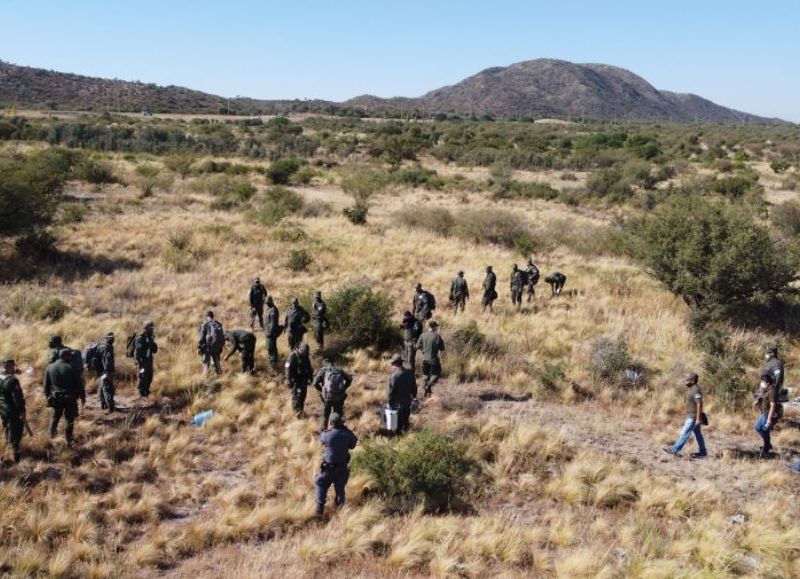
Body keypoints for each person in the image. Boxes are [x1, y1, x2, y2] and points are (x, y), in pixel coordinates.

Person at [314, 412, 358, 518]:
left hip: (328, 468)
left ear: (331, 423)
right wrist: (346, 430)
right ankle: (341, 511)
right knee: (340, 489)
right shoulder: (347, 434)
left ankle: (319, 511)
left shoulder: (326, 434)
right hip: (342, 468)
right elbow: (353, 444)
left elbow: (322, 440)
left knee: (320, 484)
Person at [44, 349, 85, 447]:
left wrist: (48, 396)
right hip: (70, 398)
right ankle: (68, 440)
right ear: (66, 356)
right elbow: (79, 384)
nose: (71, 357)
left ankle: (51, 437)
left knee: (55, 417)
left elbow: (46, 385)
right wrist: (83, 396)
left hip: (56, 397)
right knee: (69, 419)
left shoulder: (50, 367)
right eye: (69, 355)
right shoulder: (71, 367)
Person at [664, 372, 707, 458]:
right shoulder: (691, 389)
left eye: (687, 379)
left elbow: (699, 404)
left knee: (685, 432)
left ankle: (674, 450)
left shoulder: (695, 390)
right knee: (698, 435)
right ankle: (703, 452)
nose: (685, 381)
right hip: (691, 416)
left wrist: (698, 418)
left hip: (693, 417)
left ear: (693, 380)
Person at [313, 360, 353, 432]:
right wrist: (344, 388)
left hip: (327, 397)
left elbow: (315, 383)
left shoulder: (323, 370)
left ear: (325, 365)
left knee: (325, 415)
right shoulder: (339, 370)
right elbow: (349, 379)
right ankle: (338, 434)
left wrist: (321, 390)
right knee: (337, 416)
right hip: (339, 397)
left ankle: (324, 434)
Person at [0, 359, 26, 462]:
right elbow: (17, 398)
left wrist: (15, 372)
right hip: (12, 410)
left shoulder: (1, 377)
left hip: (2, 408)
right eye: (13, 366)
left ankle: (6, 448)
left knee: (6, 427)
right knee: (16, 431)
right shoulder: (12, 381)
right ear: (10, 366)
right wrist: (22, 411)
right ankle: (16, 455)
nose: (14, 368)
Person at [387, 353, 417, 434]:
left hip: (397, 406)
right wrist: (414, 397)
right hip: (407, 404)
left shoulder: (394, 376)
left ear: (394, 364)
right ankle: (406, 439)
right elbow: (414, 388)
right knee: (405, 423)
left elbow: (390, 393)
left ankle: (398, 441)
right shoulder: (410, 373)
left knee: (396, 427)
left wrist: (389, 403)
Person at [416, 320, 445, 397]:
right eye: (436, 327)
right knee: (436, 374)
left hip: (424, 358)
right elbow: (442, 348)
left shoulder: (423, 335)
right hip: (433, 359)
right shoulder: (437, 336)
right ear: (434, 327)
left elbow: (417, 346)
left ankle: (427, 393)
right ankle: (427, 386)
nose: (437, 328)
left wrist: (423, 350)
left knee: (426, 375)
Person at [754, 372, 779, 459]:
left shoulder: (772, 391)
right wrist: (758, 402)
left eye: (763, 382)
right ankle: (767, 445)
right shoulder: (766, 389)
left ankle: (766, 450)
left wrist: (769, 420)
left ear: (768, 383)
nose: (761, 383)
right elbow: (763, 399)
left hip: (768, 414)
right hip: (764, 413)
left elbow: (772, 405)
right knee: (759, 428)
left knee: (762, 429)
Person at [286, 342, 313, 417]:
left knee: (303, 396)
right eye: (303, 351)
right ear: (299, 349)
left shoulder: (305, 355)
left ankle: (301, 410)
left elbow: (309, 367)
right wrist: (289, 380)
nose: (305, 353)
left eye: (306, 352)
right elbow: (288, 369)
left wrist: (311, 378)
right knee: (296, 397)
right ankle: (296, 414)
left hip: (303, 380)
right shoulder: (293, 356)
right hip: (296, 381)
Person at [133, 321, 158, 397]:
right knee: (142, 376)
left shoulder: (150, 336)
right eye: (151, 328)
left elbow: (152, 349)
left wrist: (154, 346)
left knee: (149, 376)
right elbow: (137, 351)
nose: (152, 329)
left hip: (149, 360)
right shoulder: (140, 337)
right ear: (146, 328)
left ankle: (146, 390)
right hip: (142, 361)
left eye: (153, 328)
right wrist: (138, 362)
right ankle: (141, 392)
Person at [198, 311, 225, 376]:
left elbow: (201, 337)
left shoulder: (205, 324)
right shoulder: (218, 324)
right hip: (216, 347)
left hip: (208, 347)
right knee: (216, 363)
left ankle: (205, 378)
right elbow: (222, 336)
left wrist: (199, 347)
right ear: (213, 316)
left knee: (206, 364)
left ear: (206, 317)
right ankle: (219, 377)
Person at [98, 332, 116, 413]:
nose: (112, 338)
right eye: (110, 337)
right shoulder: (107, 347)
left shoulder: (103, 346)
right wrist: (107, 372)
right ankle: (110, 407)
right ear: (106, 338)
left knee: (102, 387)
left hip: (102, 371)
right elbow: (108, 362)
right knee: (107, 388)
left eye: (112, 337)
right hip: (106, 371)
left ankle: (103, 404)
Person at [264, 296, 281, 371]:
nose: (267, 304)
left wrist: (269, 332)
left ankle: (273, 367)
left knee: (271, 349)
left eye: (268, 302)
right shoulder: (268, 309)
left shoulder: (273, 310)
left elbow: (273, 323)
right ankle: (273, 364)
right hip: (268, 332)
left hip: (271, 333)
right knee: (269, 348)